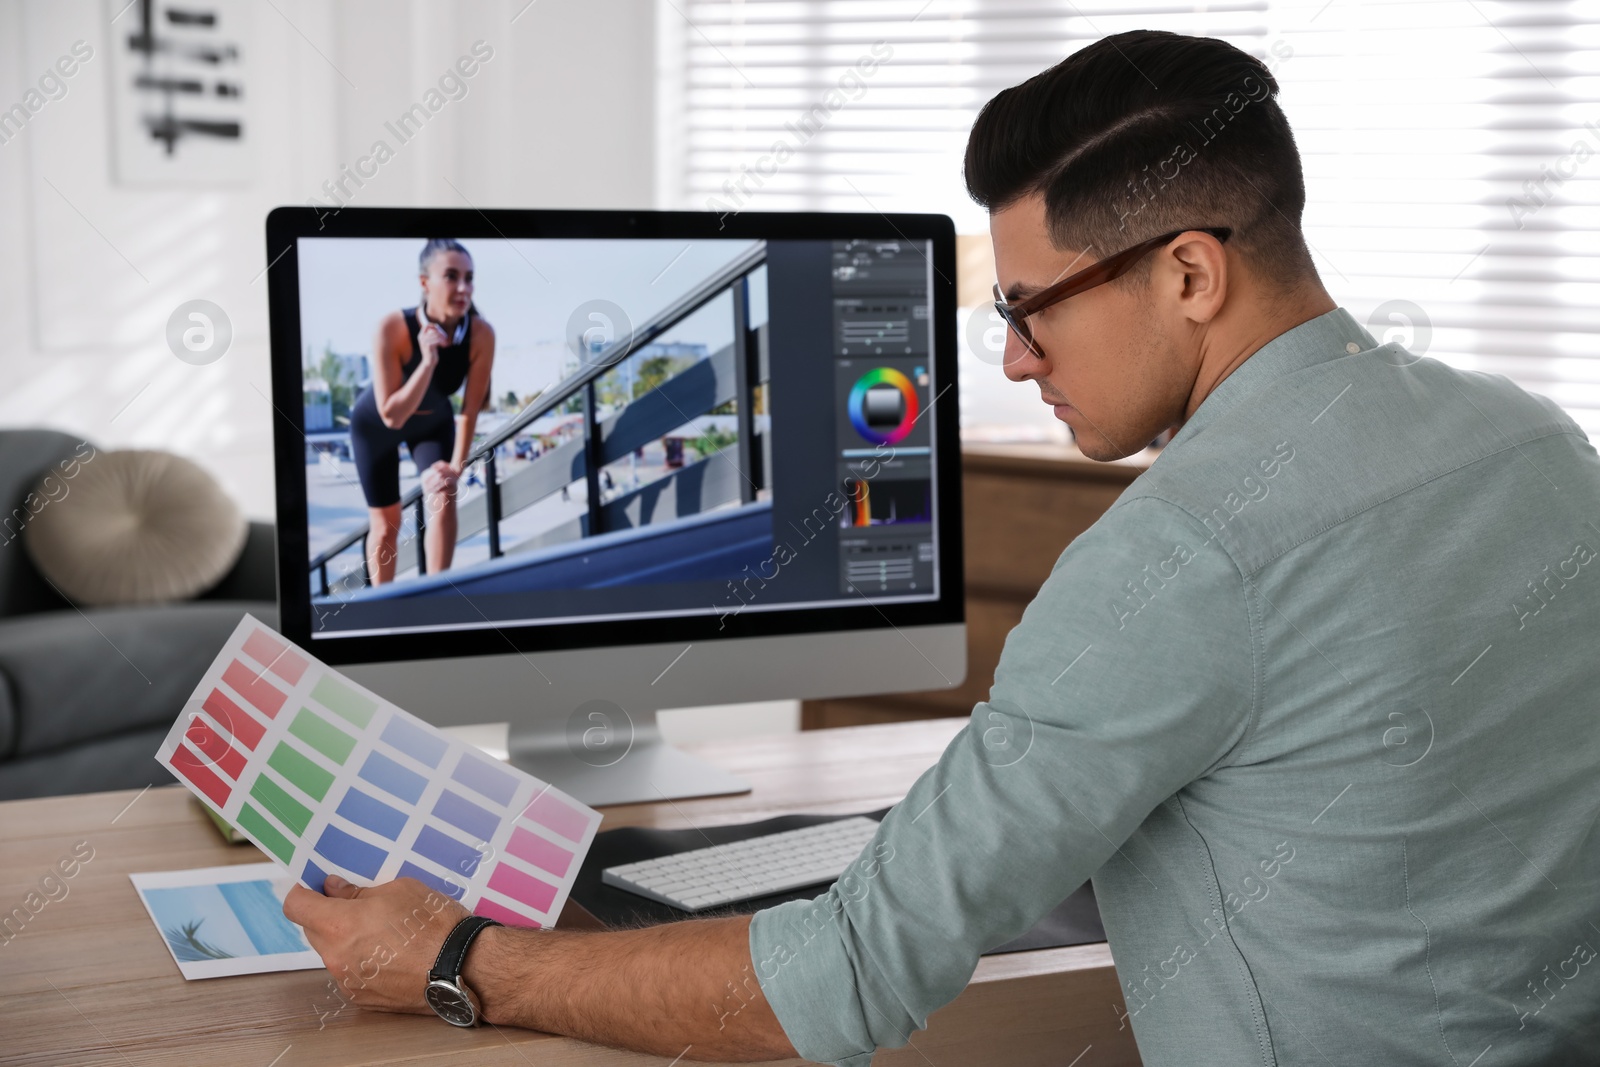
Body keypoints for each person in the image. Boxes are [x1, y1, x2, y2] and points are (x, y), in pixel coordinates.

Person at [285, 31, 1600, 1065]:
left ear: (1191, 273)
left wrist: (455, 954)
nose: (1018, 358)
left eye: (1032, 309)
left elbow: (842, 981)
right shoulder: (1536, 440)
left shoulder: (1179, 553)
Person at [348, 239, 496, 584]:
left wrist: (455, 469)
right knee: (387, 526)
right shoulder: (393, 328)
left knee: (444, 491)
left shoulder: (480, 334)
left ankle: (435, 595)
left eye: (469, 277)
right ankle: (383, 611)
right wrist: (428, 361)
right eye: (451, 276)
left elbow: (469, 410)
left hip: (432, 425)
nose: (464, 287)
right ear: (424, 282)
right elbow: (391, 416)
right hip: (376, 427)